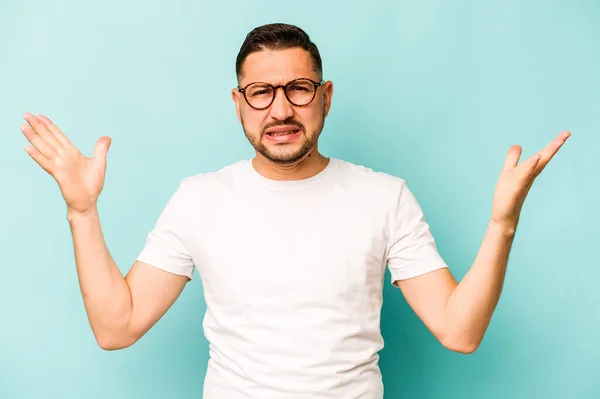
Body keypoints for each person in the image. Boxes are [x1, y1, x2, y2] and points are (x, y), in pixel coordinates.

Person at [20, 23, 570, 399]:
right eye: (260, 92)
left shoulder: (384, 196)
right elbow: (117, 327)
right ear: (238, 103)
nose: (280, 109)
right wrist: (82, 210)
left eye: (298, 89)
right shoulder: (200, 198)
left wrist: (502, 225)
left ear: (326, 96)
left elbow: (460, 331)